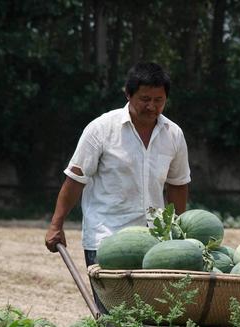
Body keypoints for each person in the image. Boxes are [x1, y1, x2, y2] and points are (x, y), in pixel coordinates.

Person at [45, 62, 191, 313]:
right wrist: (56, 224)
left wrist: (176, 232)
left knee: (146, 321)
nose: (152, 106)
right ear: (128, 93)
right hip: (107, 240)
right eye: (145, 99)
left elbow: (178, 185)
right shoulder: (101, 129)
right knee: (116, 322)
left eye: (159, 100)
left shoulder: (173, 134)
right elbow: (75, 180)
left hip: (153, 244)